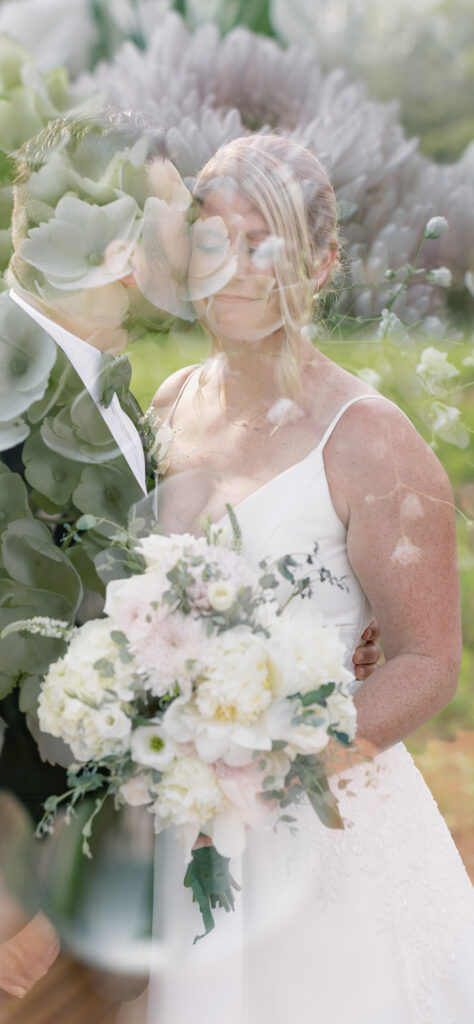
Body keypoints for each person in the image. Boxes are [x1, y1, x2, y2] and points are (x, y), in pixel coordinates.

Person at [136, 132, 474, 1024]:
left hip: (325, 835)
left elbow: (429, 660)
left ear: (323, 262)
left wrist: (275, 768)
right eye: (216, 240)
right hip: (193, 832)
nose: (238, 269)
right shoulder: (168, 405)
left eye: (266, 243)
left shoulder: (370, 441)